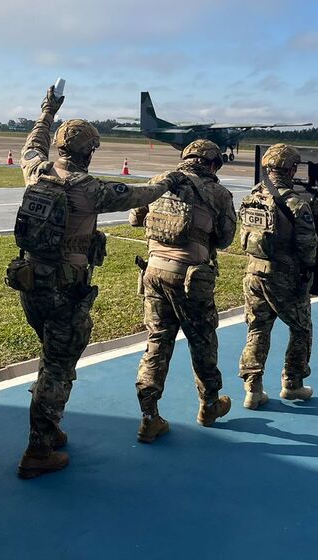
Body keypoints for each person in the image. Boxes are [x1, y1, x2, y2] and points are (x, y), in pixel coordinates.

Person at [7, 86, 187, 478]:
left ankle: (49, 429)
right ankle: (38, 450)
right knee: (57, 367)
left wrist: (47, 111)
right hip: (66, 288)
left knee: (50, 356)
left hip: (30, 282)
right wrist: (171, 178)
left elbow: (31, 144)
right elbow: (144, 192)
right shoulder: (94, 191)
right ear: (89, 151)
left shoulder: (36, 171)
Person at [128, 139, 237, 442]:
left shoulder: (159, 182)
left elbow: (135, 218)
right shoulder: (218, 193)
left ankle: (149, 416)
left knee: (157, 341)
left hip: (153, 272)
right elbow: (226, 238)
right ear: (213, 163)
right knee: (202, 340)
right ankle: (210, 405)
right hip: (190, 278)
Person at [238, 143, 318, 409]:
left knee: (257, 328)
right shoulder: (296, 203)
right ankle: (293, 384)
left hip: (253, 272)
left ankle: (253, 389)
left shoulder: (251, 197)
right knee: (300, 328)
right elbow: (308, 245)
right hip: (283, 276)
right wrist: (307, 273)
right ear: (292, 169)